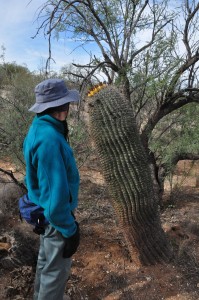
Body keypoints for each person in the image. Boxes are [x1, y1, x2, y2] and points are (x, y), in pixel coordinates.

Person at [23, 78, 80, 300]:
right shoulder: (49, 139)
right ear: (60, 108)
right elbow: (56, 202)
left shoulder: (40, 127)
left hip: (44, 212)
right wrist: (70, 229)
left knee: (46, 265)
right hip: (55, 218)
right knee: (56, 272)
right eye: (67, 104)